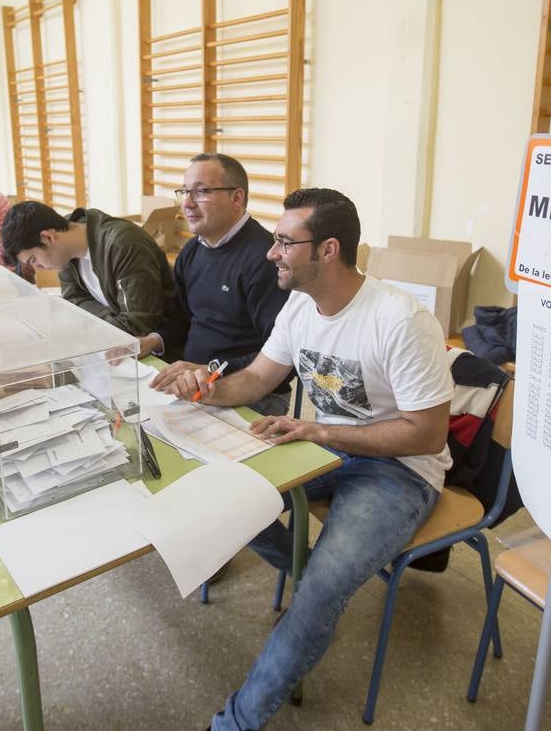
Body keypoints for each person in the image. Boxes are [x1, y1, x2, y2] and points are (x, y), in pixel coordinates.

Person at [158, 188, 454, 731]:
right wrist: (202, 388)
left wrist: (321, 429)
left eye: (283, 243)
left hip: (401, 470)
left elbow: (428, 434)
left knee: (318, 594)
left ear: (327, 250)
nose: (270, 253)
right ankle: (315, 585)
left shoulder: (400, 320)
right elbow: (254, 380)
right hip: (324, 444)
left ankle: (236, 722)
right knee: (218, 501)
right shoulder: (300, 306)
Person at [147, 153, 291, 416]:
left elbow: (281, 352)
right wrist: (152, 341)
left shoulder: (265, 259)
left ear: (237, 198)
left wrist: (210, 368)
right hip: (194, 385)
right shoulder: (191, 251)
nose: (187, 204)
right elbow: (182, 319)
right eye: (185, 192)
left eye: (201, 191)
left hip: (251, 393)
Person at [1, 199, 179, 344]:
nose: (37, 269)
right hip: (116, 339)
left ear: (49, 237)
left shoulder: (122, 244)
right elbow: (73, 301)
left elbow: (139, 323)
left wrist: (89, 325)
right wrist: (111, 319)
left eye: (33, 259)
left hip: (161, 346)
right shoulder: (66, 248)